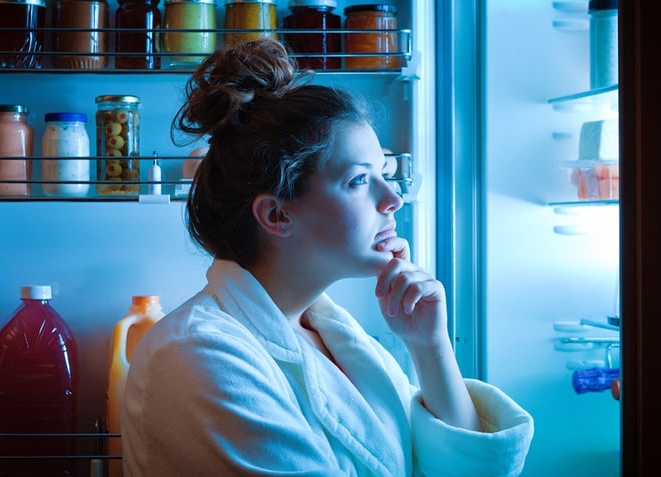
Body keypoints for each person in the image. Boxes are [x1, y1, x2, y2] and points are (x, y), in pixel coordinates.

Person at [121, 39, 534, 477]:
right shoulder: (199, 355)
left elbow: (462, 471)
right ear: (278, 214)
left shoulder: (330, 334)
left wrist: (429, 345)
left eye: (386, 174)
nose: (393, 199)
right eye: (359, 180)